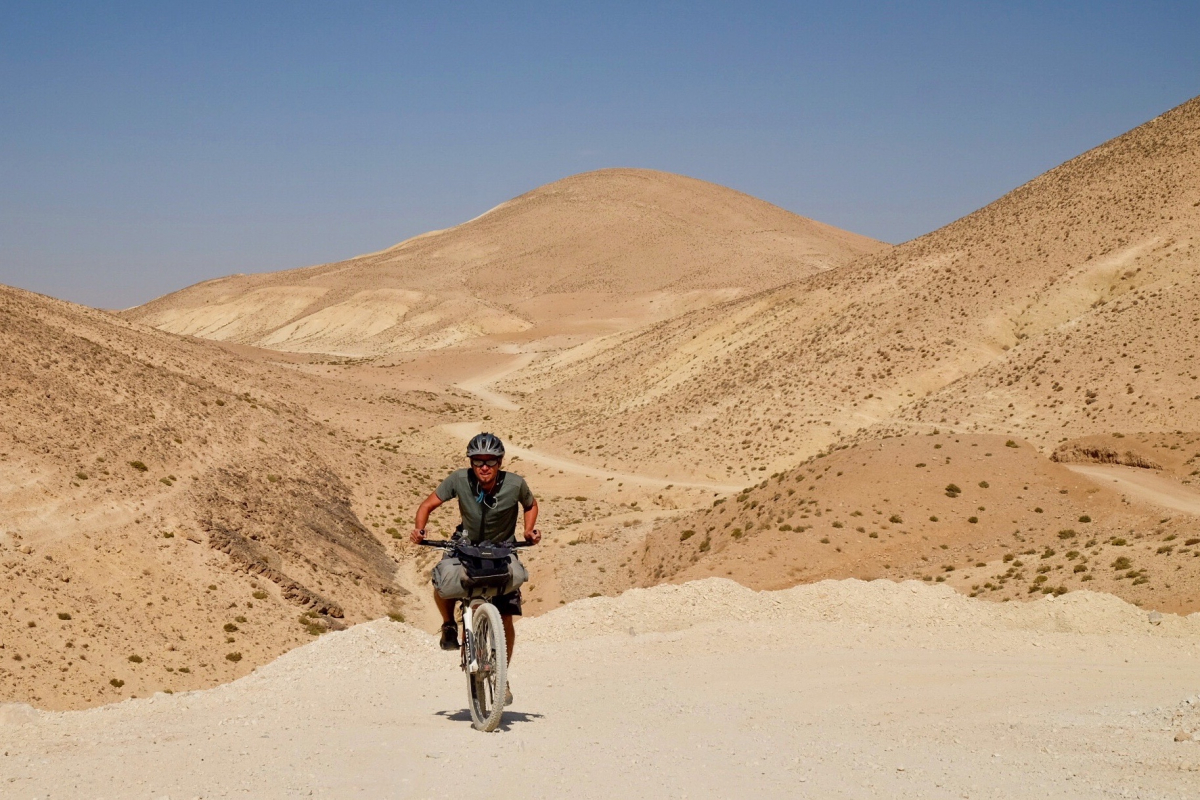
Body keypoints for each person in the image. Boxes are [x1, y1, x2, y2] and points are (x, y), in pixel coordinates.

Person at [410, 432, 540, 700]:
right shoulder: (459, 479)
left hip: (502, 549)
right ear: (470, 462)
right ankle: (448, 624)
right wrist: (419, 529)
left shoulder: (515, 484)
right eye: (478, 460)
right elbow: (428, 504)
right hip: (466, 545)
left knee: (505, 618)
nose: (484, 466)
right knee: (443, 577)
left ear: (500, 462)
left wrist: (528, 531)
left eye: (490, 461)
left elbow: (531, 504)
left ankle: (501, 677)